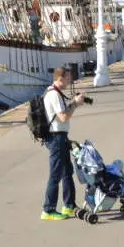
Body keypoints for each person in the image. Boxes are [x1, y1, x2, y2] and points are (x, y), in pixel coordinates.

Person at [41, 67, 88, 220]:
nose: (70, 81)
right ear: (60, 79)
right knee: (55, 175)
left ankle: (69, 205)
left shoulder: (54, 92)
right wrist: (74, 104)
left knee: (67, 172)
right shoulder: (54, 94)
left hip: (60, 137)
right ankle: (48, 210)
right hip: (56, 138)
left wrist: (73, 103)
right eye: (68, 79)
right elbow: (63, 117)